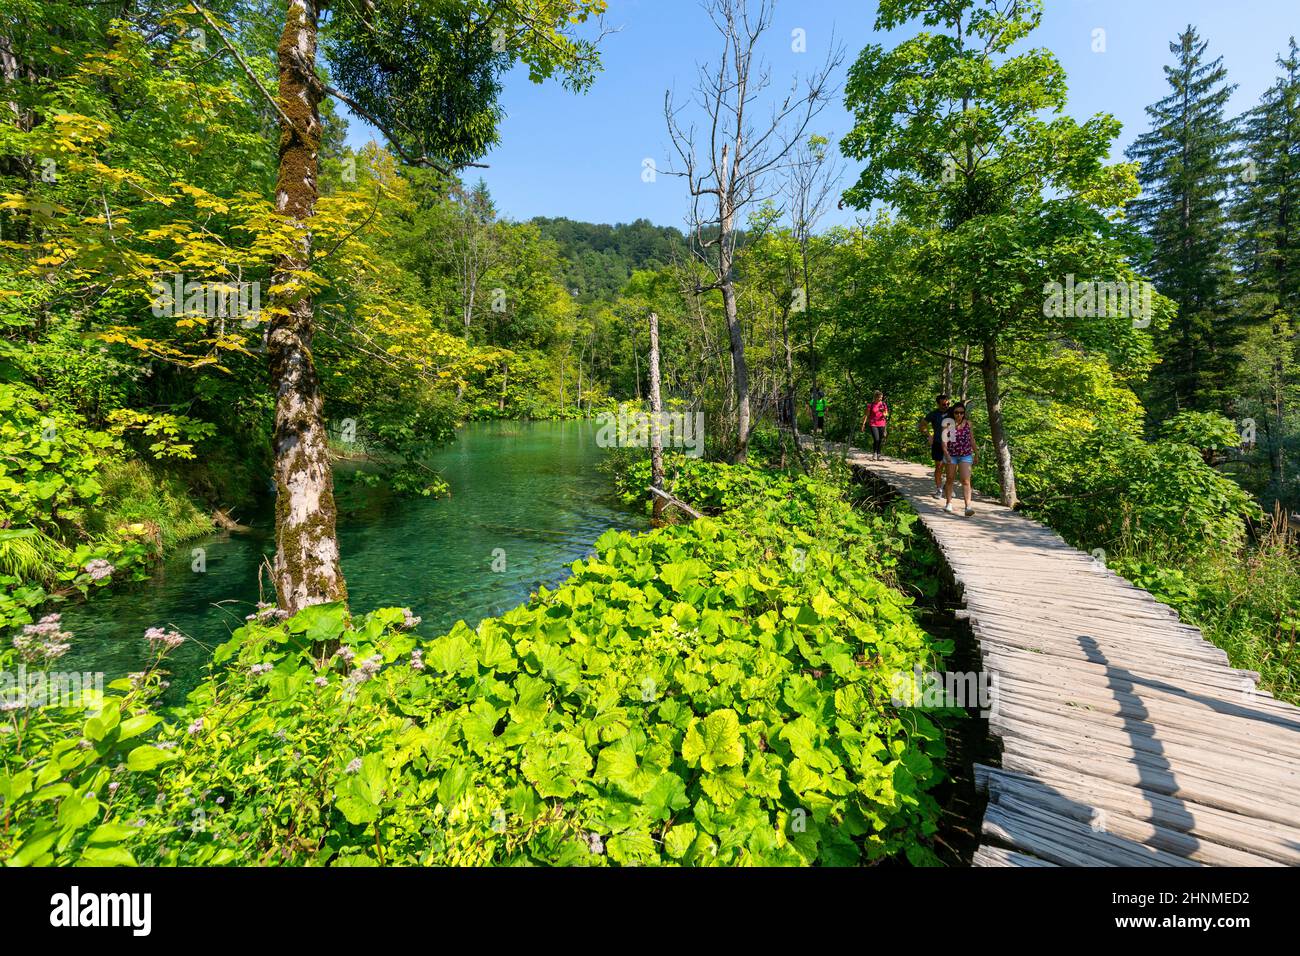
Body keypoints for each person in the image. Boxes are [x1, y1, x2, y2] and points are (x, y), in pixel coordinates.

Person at [942, 401, 976, 517]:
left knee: (965, 480)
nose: (959, 415)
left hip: (965, 455)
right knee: (950, 478)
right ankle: (949, 503)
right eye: (957, 413)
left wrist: (977, 453)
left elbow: (971, 439)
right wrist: (946, 453)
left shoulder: (968, 424)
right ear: (953, 413)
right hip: (951, 455)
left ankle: (968, 507)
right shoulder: (948, 424)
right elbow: (944, 440)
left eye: (962, 413)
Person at [919, 394, 951, 498]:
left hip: (951, 443)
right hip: (937, 442)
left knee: (951, 467)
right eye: (943, 404)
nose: (946, 405)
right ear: (938, 404)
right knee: (939, 466)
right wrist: (929, 436)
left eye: (947, 403)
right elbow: (922, 425)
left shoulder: (952, 412)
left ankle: (948, 487)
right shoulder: (933, 414)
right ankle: (939, 489)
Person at [859, 391, 889, 460]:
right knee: (876, 439)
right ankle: (874, 453)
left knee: (880, 440)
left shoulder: (883, 404)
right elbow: (866, 415)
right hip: (873, 424)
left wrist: (883, 412)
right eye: (879, 397)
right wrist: (863, 424)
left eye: (881, 397)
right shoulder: (870, 405)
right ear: (875, 397)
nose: (880, 399)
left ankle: (879, 454)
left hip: (882, 424)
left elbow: (886, 414)